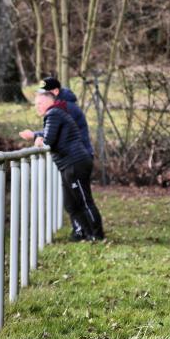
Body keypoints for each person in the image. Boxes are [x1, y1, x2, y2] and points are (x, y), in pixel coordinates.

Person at [19, 91, 104, 241]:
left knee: (84, 201)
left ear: (48, 102)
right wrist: (35, 136)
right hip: (68, 165)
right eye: (35, 105)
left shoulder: (53, 114)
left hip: (75, 163)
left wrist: (38, 140)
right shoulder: (56, 113)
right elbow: (49, 133)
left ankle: (97, 236)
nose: (37, 107)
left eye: (39, 104)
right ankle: (84, 233)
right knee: (70, 204)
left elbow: (48, 139)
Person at [39, 77, 94, 157]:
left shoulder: (65, 108)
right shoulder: (58, 107)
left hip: (78, 157)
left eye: (46, 94)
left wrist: (34, 135)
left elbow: (54, 133)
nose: (42, 97)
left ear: (56, 91)